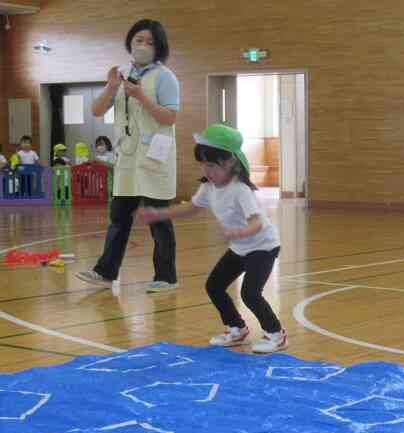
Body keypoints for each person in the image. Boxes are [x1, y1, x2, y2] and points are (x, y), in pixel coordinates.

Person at [140, 124, 288, 353]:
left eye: (212, 165)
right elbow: (191, 208)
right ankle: (236, 328)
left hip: (263, 247)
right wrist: (159, 213)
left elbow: (257, 223)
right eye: (203, 165)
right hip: (240, 248)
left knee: (250, 293)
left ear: (230, 162)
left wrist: (239, 232)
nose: (207, 171)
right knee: (214, 286)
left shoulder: (240, 190)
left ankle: (276, 334)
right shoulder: (209, 188)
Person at [75, 19, 180, 292]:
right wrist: (111, 87)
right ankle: (105, 272)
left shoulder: (165, 77)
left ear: (159, 47)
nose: (143, 46)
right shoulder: (121, 73)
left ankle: (166, 277)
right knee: (119, 217)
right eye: (138, 40)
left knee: (158, 220)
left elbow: (170, 117)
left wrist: (142, 97)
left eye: (149, 42)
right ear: (130, 43)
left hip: (154, 157)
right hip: (128, 158)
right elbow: (97, 111)